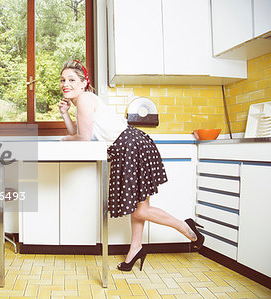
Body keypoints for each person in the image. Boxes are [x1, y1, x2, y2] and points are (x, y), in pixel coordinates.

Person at [59, 60, 204, 271]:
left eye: (72, 79)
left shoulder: (84, 98)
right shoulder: (82, 101)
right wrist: (65, 114)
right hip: (130, 145)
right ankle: (136, 249)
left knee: (139, 210)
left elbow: (82, 137)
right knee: (140, 208)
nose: (66, 84)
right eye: (63, 80)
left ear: (83, 83)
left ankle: (186, 228)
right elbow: (80, 135)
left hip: (130, 147)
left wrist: (63, 140)